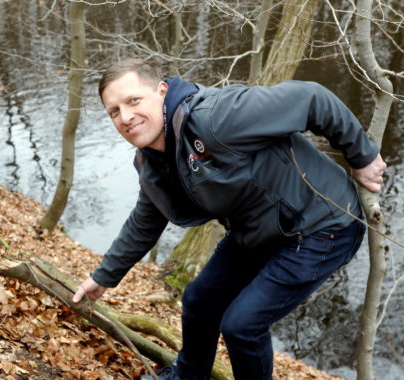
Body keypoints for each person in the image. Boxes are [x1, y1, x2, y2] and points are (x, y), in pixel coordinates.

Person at [71, 59, 386, 380]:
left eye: (133, 101)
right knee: (199, 300)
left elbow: (312, 98)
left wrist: (362, 156)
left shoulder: (217, 117)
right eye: (114, 111)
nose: (125, 117)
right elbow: (146, 219)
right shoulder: (153, 159)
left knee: (242, 326)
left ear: (161, 91)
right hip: (258, 230)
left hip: (322, 226)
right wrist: (104, 277)